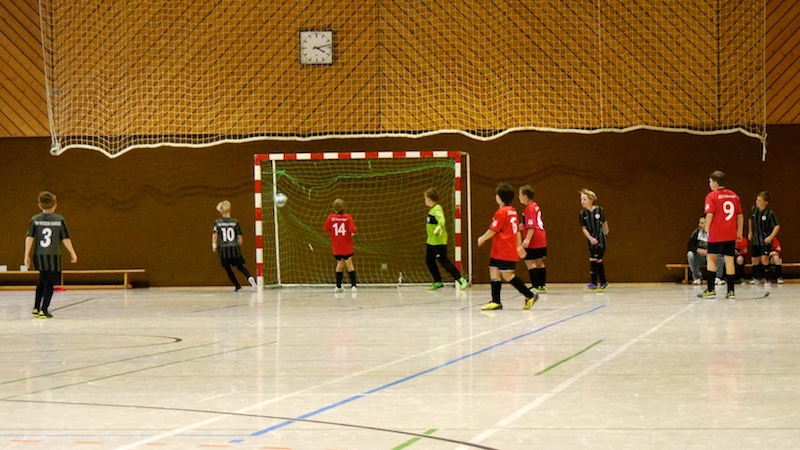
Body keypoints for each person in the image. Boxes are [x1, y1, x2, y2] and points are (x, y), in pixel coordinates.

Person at [477, 183, 538, 310]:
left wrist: (482, 238)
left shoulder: (501, 212)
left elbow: (493, 230)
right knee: (493, 269)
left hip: (504, 249)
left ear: (499, 197)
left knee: (507, 275)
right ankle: (496, 301)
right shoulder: (512, 211)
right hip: (499, 249)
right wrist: (519, 246)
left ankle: (529, 295)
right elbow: (517, 231)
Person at [24, 191, 78, 318]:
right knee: (50, 282)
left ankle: (36, 308)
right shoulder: (59, 220)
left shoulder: (35, 220)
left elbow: (30, 237)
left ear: (39, 205)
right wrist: (72, 253)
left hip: (39, 255)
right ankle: (44, 309)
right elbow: (65, 238)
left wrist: (26, 255)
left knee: (42, 280)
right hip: (54, 255)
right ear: (55, 205)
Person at [701, 170, 743, 299]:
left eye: (710, 181)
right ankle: (731, 291)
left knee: (711, 259)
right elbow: (740, 215)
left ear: (715, 182)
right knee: (729, 260)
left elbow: (710, 214)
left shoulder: (711, 196)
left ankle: (711, 290)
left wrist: (707, 228)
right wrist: (740, 231)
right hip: (730, 233)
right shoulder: (734, 196)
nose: (709, 184)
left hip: (716, 233)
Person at [424, 188, 468, 290]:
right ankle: (438, 281)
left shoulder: (437, 209)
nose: (425, 201)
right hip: (431, 242)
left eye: (425, 198)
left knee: (444, 261)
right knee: (429, 261)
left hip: (439, 242)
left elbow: (442, 220)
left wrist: (440, 227)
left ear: (429, 199)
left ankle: (460, 279)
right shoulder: (431, 210)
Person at [212, 201, 257, 292]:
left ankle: (237, 285)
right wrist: (238, 244)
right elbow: (239, 237)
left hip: (224, 249)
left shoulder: (217, 222)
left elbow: (215, 235)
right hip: (234, 247)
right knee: (240, 266)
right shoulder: (235, 222)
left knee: (228, 268)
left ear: (220, 211)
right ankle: (249, 277)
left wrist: (214, 245)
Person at [323, 198, 357, 293]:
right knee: (349, 264)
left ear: (334, 208)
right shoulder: (348, 217)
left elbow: (325, 229)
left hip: (336, 246)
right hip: (346, 245)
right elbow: (352, 231)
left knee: (339, 264)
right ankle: (353, 286)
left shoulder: (330, 218)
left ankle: (338, 286)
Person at [518, 185, 548, 292]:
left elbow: (531, 226)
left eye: (520, 195)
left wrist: (527, 239)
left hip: (534, 238)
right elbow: (528, 223)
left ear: (525, 196)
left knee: (529, 261)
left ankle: (535, 285)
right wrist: (520, 226)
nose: (519, 197)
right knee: (539, 261)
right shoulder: (535, 205)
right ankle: (542, 285)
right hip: (541, 236)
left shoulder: (528, 208)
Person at [579, 188, 609, 291]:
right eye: (581, 199)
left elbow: (605, 223)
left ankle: (602, 282)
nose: (582, 201)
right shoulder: (582, 214)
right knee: (593, 259)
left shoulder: (599, 210)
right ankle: (595, 283)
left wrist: (604, 234)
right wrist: (590, 238)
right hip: (591, 239)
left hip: (600, 239)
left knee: (597, 259)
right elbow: (584, 228)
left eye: (584, 199)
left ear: (591, 200)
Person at [748, 191, 780, 285]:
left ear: (766, 202)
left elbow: (777, 226)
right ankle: (757, 277)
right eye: (757, 200)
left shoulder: (770, 213)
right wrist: (750, 231)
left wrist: (770, 237)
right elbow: (750, 219)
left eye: (760, 200)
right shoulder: (754, 210)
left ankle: (767, 279)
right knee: (755, 259)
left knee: (764, 258)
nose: (757, 202)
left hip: (765, 240)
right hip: (756, 239)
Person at [687, 216, 726, 285]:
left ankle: (717, 277)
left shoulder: (715, 232)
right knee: (690, 254)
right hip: (701, 256)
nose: (699, 225)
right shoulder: (696, 233)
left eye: (702, 223)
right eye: (699, 223)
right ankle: (697, 278)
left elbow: (720, 246)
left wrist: (709, 251)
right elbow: (690, 246)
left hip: (712, 256)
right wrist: (698, 250)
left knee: (721, 255)